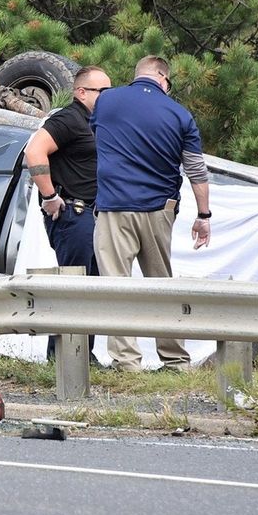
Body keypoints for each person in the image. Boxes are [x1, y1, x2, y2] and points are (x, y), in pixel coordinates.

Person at [90, 55, 211, 372]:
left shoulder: (106, 100)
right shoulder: (180, 114)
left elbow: (98, 138)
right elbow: (196, 171)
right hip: (159, 209)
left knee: (116, 285)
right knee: (161, 284)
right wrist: (204, 215)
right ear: (163, 79)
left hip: (114, 207)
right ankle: (175, 359)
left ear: (137, 75)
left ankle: (126, 361)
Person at [24, 65, 111, 359]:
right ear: (81, 92)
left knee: (91, 287)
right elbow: (34, 151)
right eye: (103, 91)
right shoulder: (69, 118)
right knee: (75, 284)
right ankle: (64, 357)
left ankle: (82, 355)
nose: (109, 97)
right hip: (74, 213)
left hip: (94, 215)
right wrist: (49, 196)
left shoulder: (95, 122)